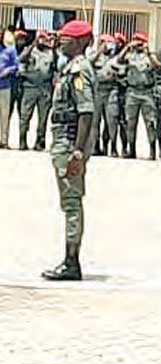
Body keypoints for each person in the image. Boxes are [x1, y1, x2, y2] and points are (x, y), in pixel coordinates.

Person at [42, 20, 95, 281]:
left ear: (80, 42)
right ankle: (69, 259)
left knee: (72, 202)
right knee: (69, 201)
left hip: (69, 140)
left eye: (66, 39)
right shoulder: (69, 68)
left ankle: (71, 262)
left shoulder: (79, 71)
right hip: (63, 138)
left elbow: (86, 112)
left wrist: (77, 152)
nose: (61, 42)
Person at [114, 32, 161, 160]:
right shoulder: (129, 56)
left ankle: (152, 151)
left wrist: (148, 52)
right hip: (132, 91)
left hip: (147, 92)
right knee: (130, 122)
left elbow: (157, 66)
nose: (138, 45)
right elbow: (119, 60)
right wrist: (127, 47)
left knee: (150, 122)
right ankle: (131, 149)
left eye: (140, 43)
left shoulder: (149, 56)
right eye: (136, 42)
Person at [17, 29, 55, 151]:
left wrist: (54, 45)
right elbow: (22, 59)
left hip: (45, 88)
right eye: (40, 38)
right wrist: (33, 45)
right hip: (30, 87)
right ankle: (22, 140)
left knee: (43, 117)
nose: (42, 41)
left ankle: (40, 141)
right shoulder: (29, 50)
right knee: (25, 115)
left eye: (44, 39)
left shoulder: (51, 52)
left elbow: (56, 66)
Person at [0, 29, 19, 148]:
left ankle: (4, 140)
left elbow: (16, 66)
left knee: (4, 114)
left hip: (4, 86)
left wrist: (8, 70)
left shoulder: (10, 50)